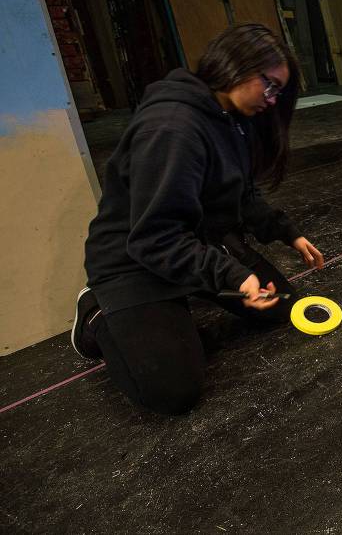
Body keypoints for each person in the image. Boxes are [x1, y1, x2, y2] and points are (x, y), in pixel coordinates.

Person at [70, 23, 324, 415]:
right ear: (236, 67)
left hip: (195, 240)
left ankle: (173, 312)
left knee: (282, 305)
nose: (273, 100)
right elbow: (154, 237)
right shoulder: (173, 129)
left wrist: (286, 232)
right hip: (134, 259)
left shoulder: (231, 116)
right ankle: (98, 315)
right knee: (172, 391)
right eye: (269, 85)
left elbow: (240, 189)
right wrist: (233, 275)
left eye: (279, 90)